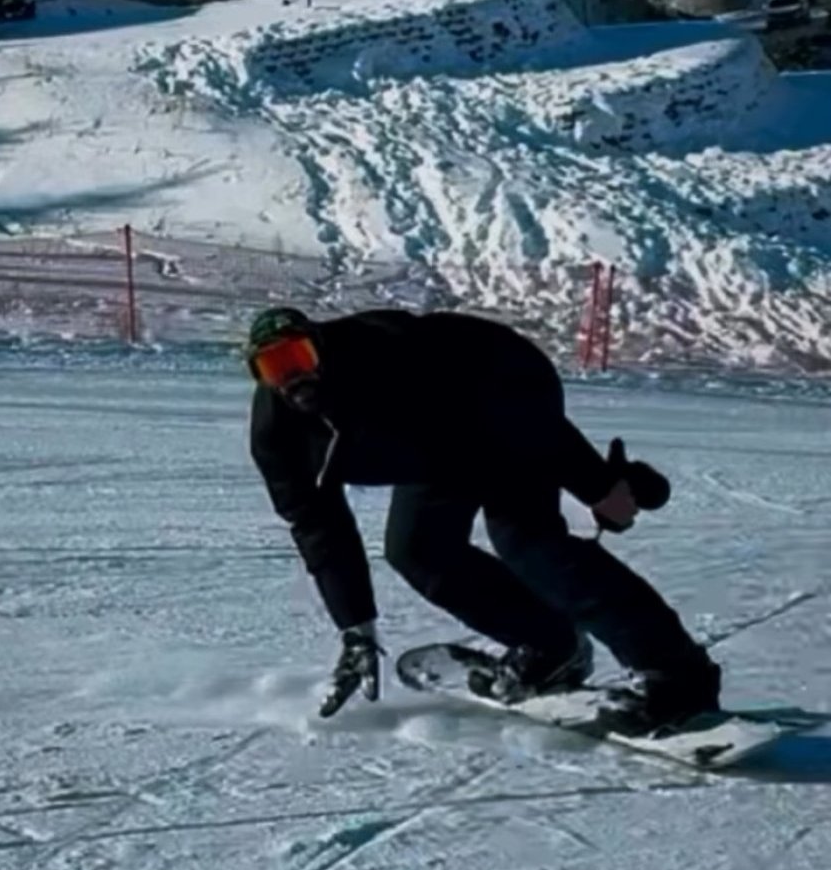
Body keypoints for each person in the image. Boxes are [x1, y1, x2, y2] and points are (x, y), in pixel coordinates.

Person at [245, 305, 721, 730]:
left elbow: (529, 424)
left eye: (299, 356)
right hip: (433, 446)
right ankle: (550, 646)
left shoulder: (389, 356)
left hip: (499, 387)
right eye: (274, 367)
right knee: (417, 551)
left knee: (527, 542)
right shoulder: (278, 437)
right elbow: (317, 526)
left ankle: (677, 675)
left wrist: (599, 487)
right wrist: (356, 630)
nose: (293, 376)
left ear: (321, 347)